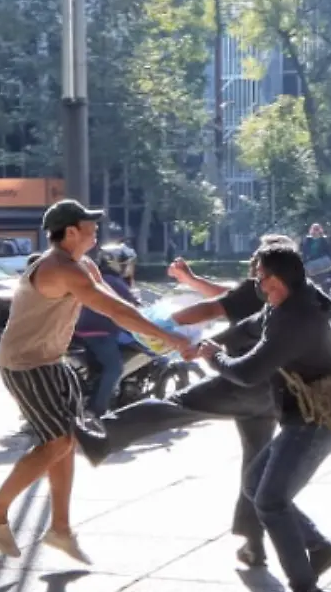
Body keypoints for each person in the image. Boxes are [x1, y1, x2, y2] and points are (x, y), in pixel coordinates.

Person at [0, 200, 193, 566]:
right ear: (71, 231)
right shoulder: (58, 268)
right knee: (57, 440)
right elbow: (115, 312)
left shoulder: (83, 264)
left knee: (67, 439)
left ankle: (60, 529)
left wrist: (163, 327)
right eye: (89, 224)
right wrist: (170, 339)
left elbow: (118, 302)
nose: (96, 229)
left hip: (51, 360)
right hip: (26, 364)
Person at [101, 237, 294, 567]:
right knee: (256, 464)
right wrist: (190, 281)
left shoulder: (256, 289)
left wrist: (162, 326)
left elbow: (215, 305)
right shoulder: (291, 290)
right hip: (275, 391)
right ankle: (255, 543)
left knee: (177, 406)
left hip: (241, 383)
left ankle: (97, 436)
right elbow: (225, 295)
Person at [194, 243, 331, 592]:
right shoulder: (289, 302)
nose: (257, 284)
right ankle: (316, 545)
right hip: (303, 418)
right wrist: (212, 343)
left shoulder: (295, 319)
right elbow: (252, 326)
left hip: (317, 422)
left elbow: (249, 373)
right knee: (254, 484)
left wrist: (214, 356)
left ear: (276, 280)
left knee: (269, 501)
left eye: (259, 277)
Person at [72, 253, 142, 419]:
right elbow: (133, 307)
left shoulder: (98, 278)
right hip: (99, 333)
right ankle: (97, 410)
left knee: (104, 366)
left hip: (81, 330)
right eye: (128, 264)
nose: (130, 268)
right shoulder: (114, 282)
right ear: (119, 264)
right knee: (115, 368)